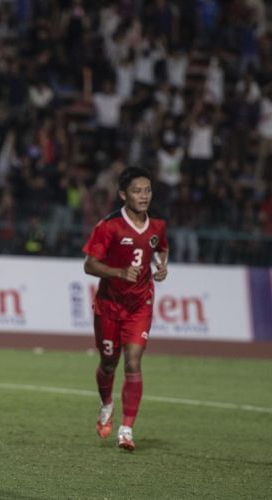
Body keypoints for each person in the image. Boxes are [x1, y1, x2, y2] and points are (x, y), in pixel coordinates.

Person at [82, 166, 169, 451]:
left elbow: (161, 248)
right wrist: (119, 273)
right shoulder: (109, 226)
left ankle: (126, 430)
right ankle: (106, 403)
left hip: (139, 304)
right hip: (109, 305)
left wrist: (161, 266)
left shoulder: (157, 226)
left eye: (147, 190)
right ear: (123, 195)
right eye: (137, 191)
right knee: (109, 363)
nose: (144, 196)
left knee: (133, 362)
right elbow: (89, 265)